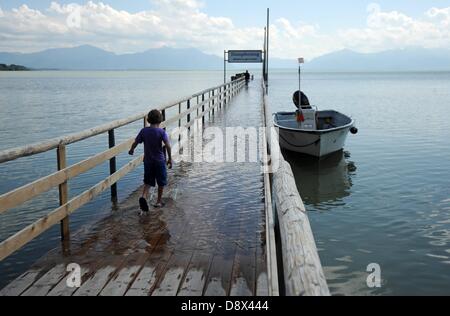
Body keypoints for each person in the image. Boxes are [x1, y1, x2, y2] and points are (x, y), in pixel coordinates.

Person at [129, 109, 172, 212]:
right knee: (161, 182)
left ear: (148, 120)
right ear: (160, 120)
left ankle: (143, 197)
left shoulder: (144, 131)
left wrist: (131, 149)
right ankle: (158, 201)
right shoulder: (162, 132)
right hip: (159, 161)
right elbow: (168, 146)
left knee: (148, 182)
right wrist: (170, 158)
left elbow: (136, 142)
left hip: (148, 161)